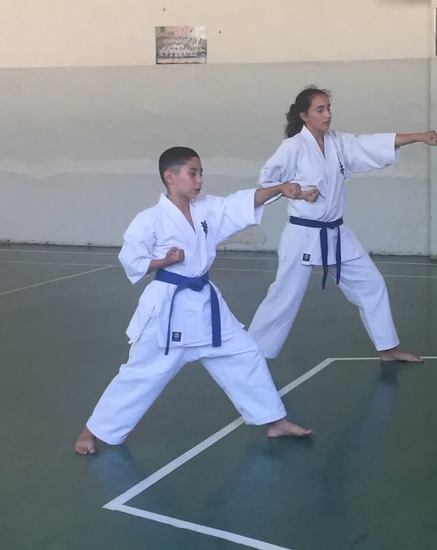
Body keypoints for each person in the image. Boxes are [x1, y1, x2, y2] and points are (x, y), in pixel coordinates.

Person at [75, 146, 312, 455]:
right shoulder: (150, 219)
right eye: (193, 173)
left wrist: (279, 188)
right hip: (169, 310)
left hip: (206, 306)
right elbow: (131, 261)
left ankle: (274, 421)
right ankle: (93, 430)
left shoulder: (206, 210)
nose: (199, 180)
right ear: (170, 176)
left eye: (201, 173)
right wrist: (164, 261)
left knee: (245, 354)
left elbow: (240, 203)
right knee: (141, 373)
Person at [248, 86, 437, 363]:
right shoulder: (293, 147)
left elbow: (371, 144)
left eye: (328, 108)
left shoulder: (338, 143)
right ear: (304, 115)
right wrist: (295, 192)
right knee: (284, 297)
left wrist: (418, 137)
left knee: (371, 284)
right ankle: (251, 355)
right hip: (303, 235)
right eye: (320, 110)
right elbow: (267, 182)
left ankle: (387, 348)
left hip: (336, 233)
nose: (327, 115)